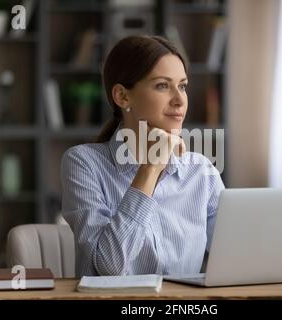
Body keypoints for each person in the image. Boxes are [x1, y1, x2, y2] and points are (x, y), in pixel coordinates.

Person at [60, 35, 225, 277]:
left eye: (182, 86)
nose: (180, 100)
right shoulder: (83, 163)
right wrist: (150, 168)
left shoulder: (201, 172)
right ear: (122, 97)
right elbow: (109, 265)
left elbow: (239, 256)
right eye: (162, 85)